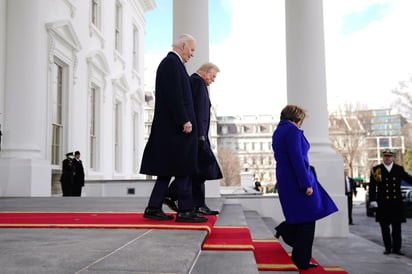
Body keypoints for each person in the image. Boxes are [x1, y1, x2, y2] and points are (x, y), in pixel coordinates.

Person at [140, 34, 207, 223]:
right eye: (192, 49)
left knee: (167, 170)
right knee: (183, 168)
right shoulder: (171, 63)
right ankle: (185, 210)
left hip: (172, 130)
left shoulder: (174, 64)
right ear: (183, 45)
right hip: (176, 129)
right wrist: (184, 120)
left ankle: (153, 207)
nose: (192, 54)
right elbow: (174, 95)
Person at [271, 105, 338, 270]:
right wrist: (305, 183)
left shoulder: (278, 131)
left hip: (286, 178)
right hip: (297, 179)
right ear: (297, 119)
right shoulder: (293, 131)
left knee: (302, 217)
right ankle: (301, 258)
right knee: (308, 219)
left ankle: (292, 242)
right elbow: (297, 159)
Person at [164, 63, 223, 215]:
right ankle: (180, 197)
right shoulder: (196, 82)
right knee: (199, 169)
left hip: (199, 135)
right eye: (213, 76)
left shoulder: (197, 82)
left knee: (198, 170)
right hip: (197, 136)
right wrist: (200, 136)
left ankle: (196, 203)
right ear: (205, 72)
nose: (214, 80)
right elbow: (195, 110)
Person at [368, 149, 412, 255]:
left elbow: (409, 179)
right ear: (383, 157)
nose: (387, 158)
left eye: (389, 156)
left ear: (393, 158)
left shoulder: (398, 169)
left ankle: (397, 249)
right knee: (384, 227)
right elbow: (372, 187)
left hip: (396, 202)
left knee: (397, 227)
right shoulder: (376, 170)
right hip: (383, 203)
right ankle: (388, 247)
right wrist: (373, 200)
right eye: (385, 156)